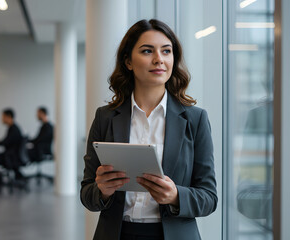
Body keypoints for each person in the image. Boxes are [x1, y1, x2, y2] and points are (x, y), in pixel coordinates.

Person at [80, 19, 217, 240]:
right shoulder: (105, 117)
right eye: (147, 51)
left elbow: (209, 198)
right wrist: (102, 191)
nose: (159, 59)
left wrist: (175, 196)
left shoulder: (195, 119)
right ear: (128, 62)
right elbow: (87, 194)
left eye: (166, 51)